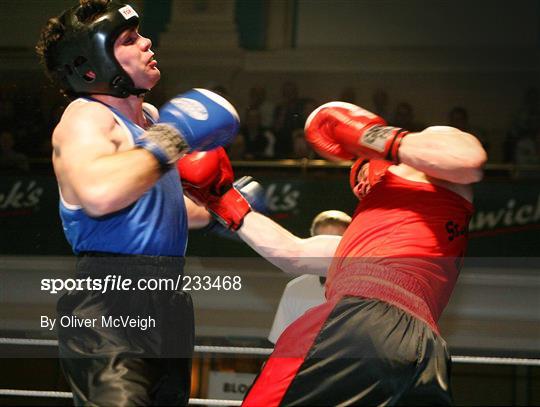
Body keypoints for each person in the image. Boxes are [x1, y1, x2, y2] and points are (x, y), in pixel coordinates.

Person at [178, 100, 487, 405]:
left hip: (361, 322)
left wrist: (373, 137)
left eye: (364, 164)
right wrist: (223, 200)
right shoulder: (369, 238)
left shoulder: (437, 170)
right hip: (423, 352)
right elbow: (293, 254)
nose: (363, 178)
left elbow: (467, 159)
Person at [35, 1, 240, 405]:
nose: (148, 42)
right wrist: (172, 139)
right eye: (130, 40)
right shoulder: (87, 118)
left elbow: (161, 209)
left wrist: (224, 211)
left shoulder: (149, 118)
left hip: (168, 297)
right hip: (109, 297)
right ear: (93, 66)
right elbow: (98, 193)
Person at [267, 210, 351, 344]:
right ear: (312, 244)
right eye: (322, 242)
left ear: (350, 243)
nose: (327, 250)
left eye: (335, 243)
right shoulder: (295, 288)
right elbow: (280, 341)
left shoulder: (371, 287)